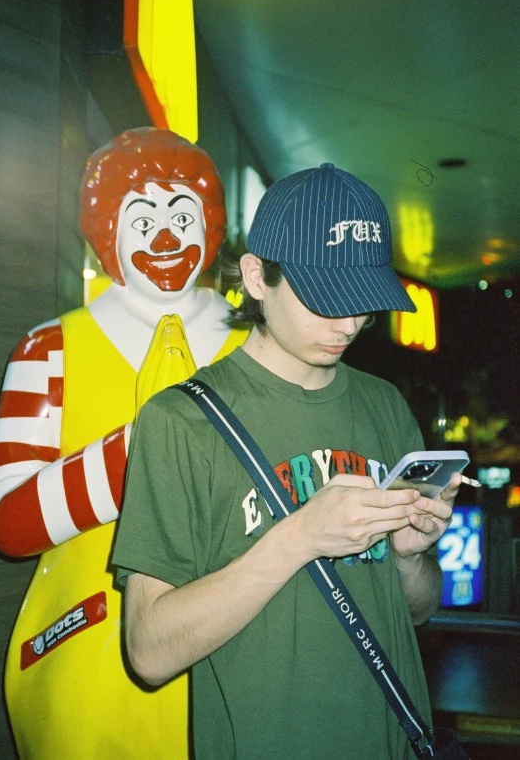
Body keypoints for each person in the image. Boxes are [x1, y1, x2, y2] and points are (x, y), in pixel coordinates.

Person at [112, 163, 462, 759]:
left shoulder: (384, 404)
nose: (349, 323)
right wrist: (299, 535)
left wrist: (409, 557)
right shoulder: (181, 421)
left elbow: (419, 610)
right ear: (255, 277)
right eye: (327, 298)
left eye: (363, 301)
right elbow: (147, 651)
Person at [0, 127, 247, 760]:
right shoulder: (48, 350)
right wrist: (141, 455)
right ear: (106, 231)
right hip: (87, 665)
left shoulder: (257, 348)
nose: (166, 238)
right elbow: (9, 521)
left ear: (210, 225)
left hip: (241, 666)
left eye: (182, 215)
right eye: (142, 220)